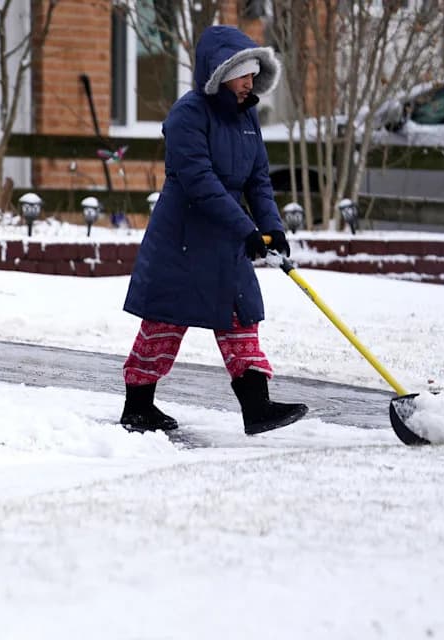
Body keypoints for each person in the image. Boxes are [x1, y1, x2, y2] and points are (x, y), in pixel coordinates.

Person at [119, 25, 307, 435]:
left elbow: (258, 178)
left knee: (241, 317)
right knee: (164, 322)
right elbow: (200, 181)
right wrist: (246, 229)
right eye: (243, 76)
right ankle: (138, 406)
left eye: (254, 76)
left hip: (225, 237)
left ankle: (257, 407)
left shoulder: (246, 117)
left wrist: (272, 228)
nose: (249, 84)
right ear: (221, 74)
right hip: (183, 238)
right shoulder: (187, 115)